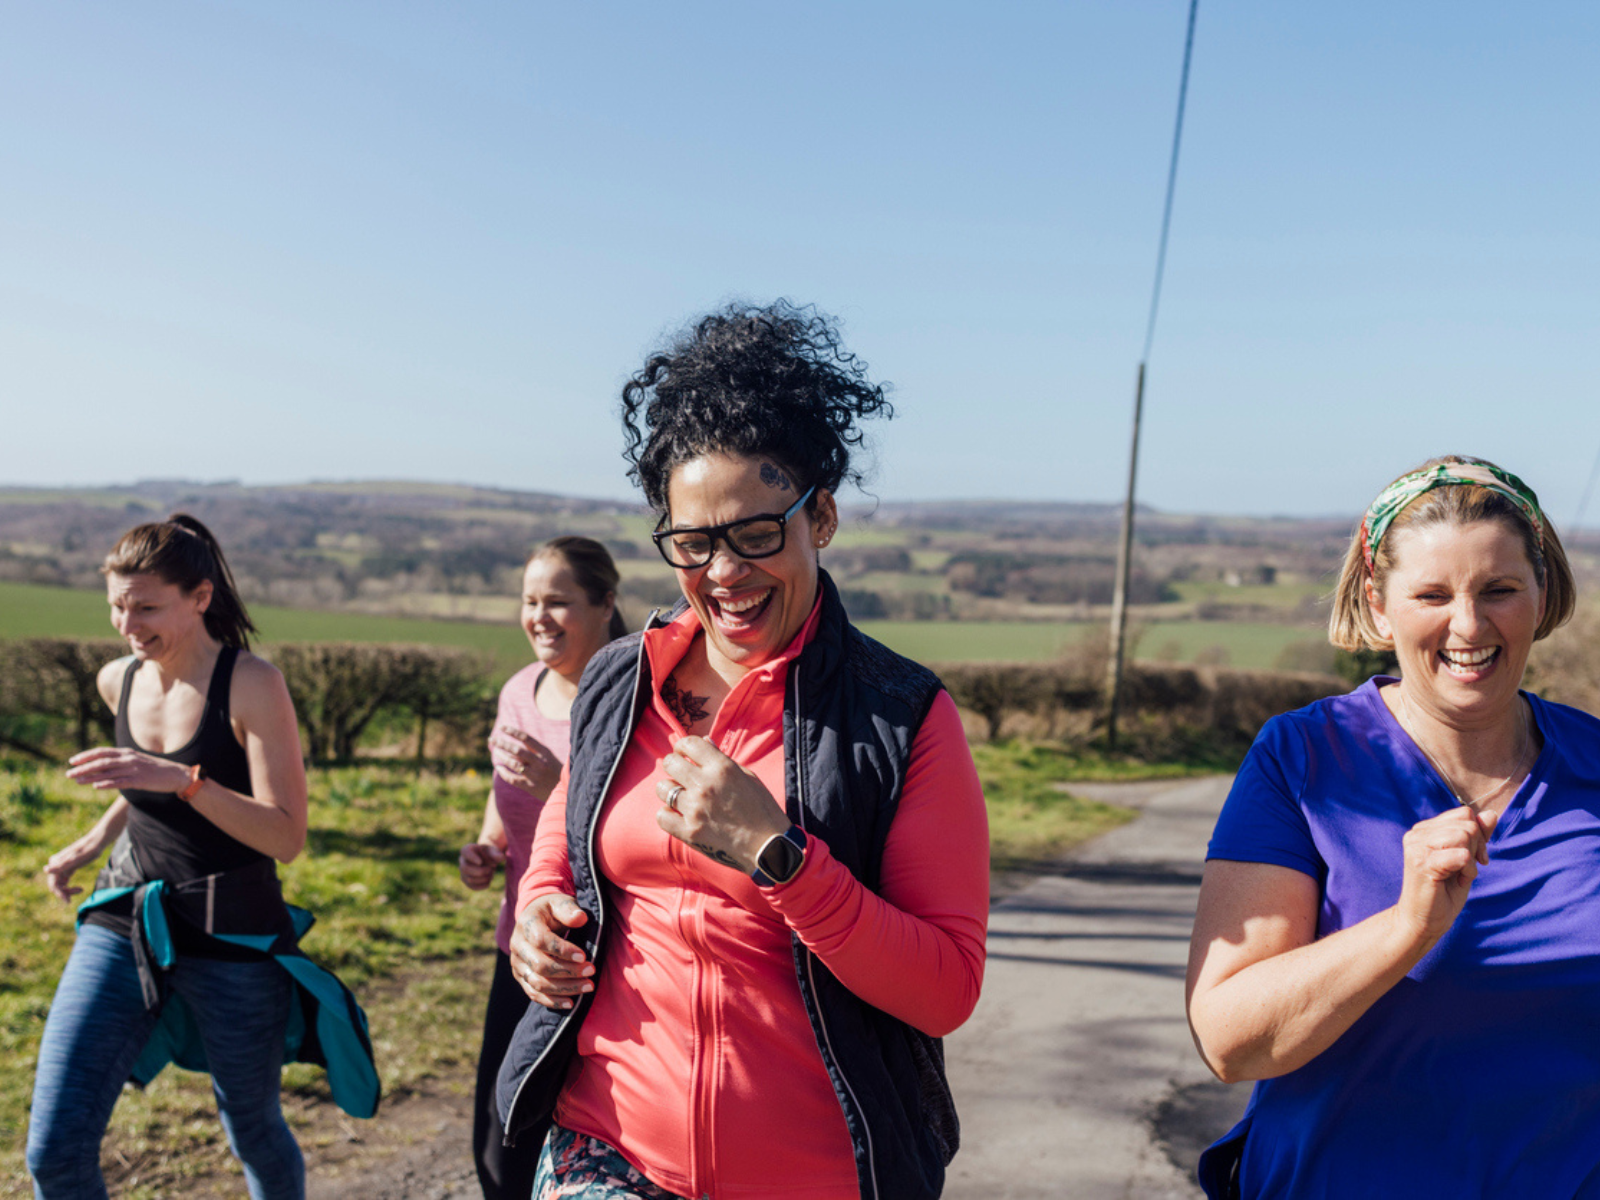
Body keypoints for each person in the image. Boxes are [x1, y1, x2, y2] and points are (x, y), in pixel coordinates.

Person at [494, 301, 990, 1200]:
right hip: (606, 1149)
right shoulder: (617, 681)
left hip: (818, 1175)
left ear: (822, 517)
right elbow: (559, 853)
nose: (724, 572)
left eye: (759, 534)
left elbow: (946, 988)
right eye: (694, 542)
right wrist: (535, 921)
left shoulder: (902, 720)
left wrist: (780, 856)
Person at [1185, 455, 1597, 1198]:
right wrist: (1405, 927)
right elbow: (1229, 1040)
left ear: (1541, 592)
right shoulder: (1303, 759)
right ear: (1379, 605)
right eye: (1432, 594)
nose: (1469, 624)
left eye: (1500, 589)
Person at [27, 514, 375, 1200]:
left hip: (234, 937)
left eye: (147, 607)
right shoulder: (116, 680)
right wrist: (95, 840)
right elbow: (142, 780)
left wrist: (185, 784)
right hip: (126, 919)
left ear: (201, 597)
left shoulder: (251, 685)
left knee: (251, 1125)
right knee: (52, 1152)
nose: (128, 626)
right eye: (117, 607)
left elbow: (284, 836)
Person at [457, 536, 626, 1200]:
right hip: (523, 948)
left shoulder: (635, 698)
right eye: (530, 601)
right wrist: (487, 847)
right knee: (498, 1147)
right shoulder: (519, 691)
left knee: (588, 1149)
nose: (539, 617)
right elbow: (505, 799)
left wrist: (562, 780)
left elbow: (645, 825)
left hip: (609, 960)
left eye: (558, 601)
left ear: (606, 604)